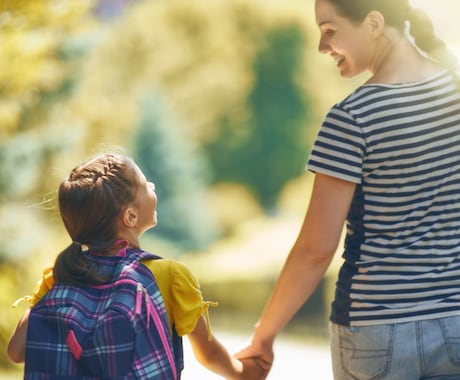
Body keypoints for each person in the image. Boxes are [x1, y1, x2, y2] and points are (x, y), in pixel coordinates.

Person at [236, 1, 460, 379]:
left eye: (329, 30)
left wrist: (263, 337)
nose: (322, 47)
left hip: (375, 331)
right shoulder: (453, 92)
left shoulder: (352, 117)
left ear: (373, 23)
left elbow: (315, 249)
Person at [7, 152, 264, 380]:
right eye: (144, 185)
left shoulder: (61, 272)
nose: (152, 186)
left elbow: (16, 352)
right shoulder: (169, 275)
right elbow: (207, 354)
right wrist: (244, 373)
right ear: (130, 216)